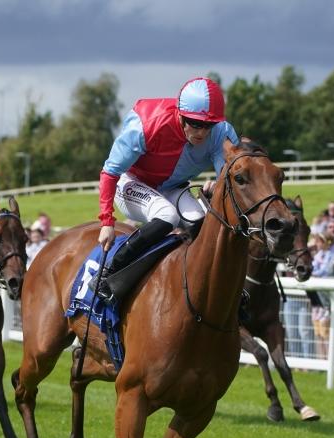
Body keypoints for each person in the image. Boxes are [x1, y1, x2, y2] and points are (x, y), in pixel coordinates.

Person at [89, 76, 239, 302]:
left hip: (172, 188)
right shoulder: (147, 124)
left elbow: (227, 177)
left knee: (201, 220)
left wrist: (217, 185)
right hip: (131, 183)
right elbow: (110, 172)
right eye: (195, 123)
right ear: (180, 115)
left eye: (208, 125)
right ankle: (108, 273)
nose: (201, 132)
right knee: (167, 215)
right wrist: (107, 222)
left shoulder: (221, 132)